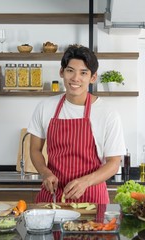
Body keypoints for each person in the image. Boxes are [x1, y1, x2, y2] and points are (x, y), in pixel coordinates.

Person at [27, 44, 126, 204]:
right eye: (70, 70)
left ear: (93, 77)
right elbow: (35, 149)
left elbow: (114, 163)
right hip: (53, 198)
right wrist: (45, 173)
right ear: (62, 72)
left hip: (92, 199)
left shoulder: (108, 113)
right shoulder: (45, 107)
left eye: (83, 73)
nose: (75, 78)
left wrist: (86, 182)